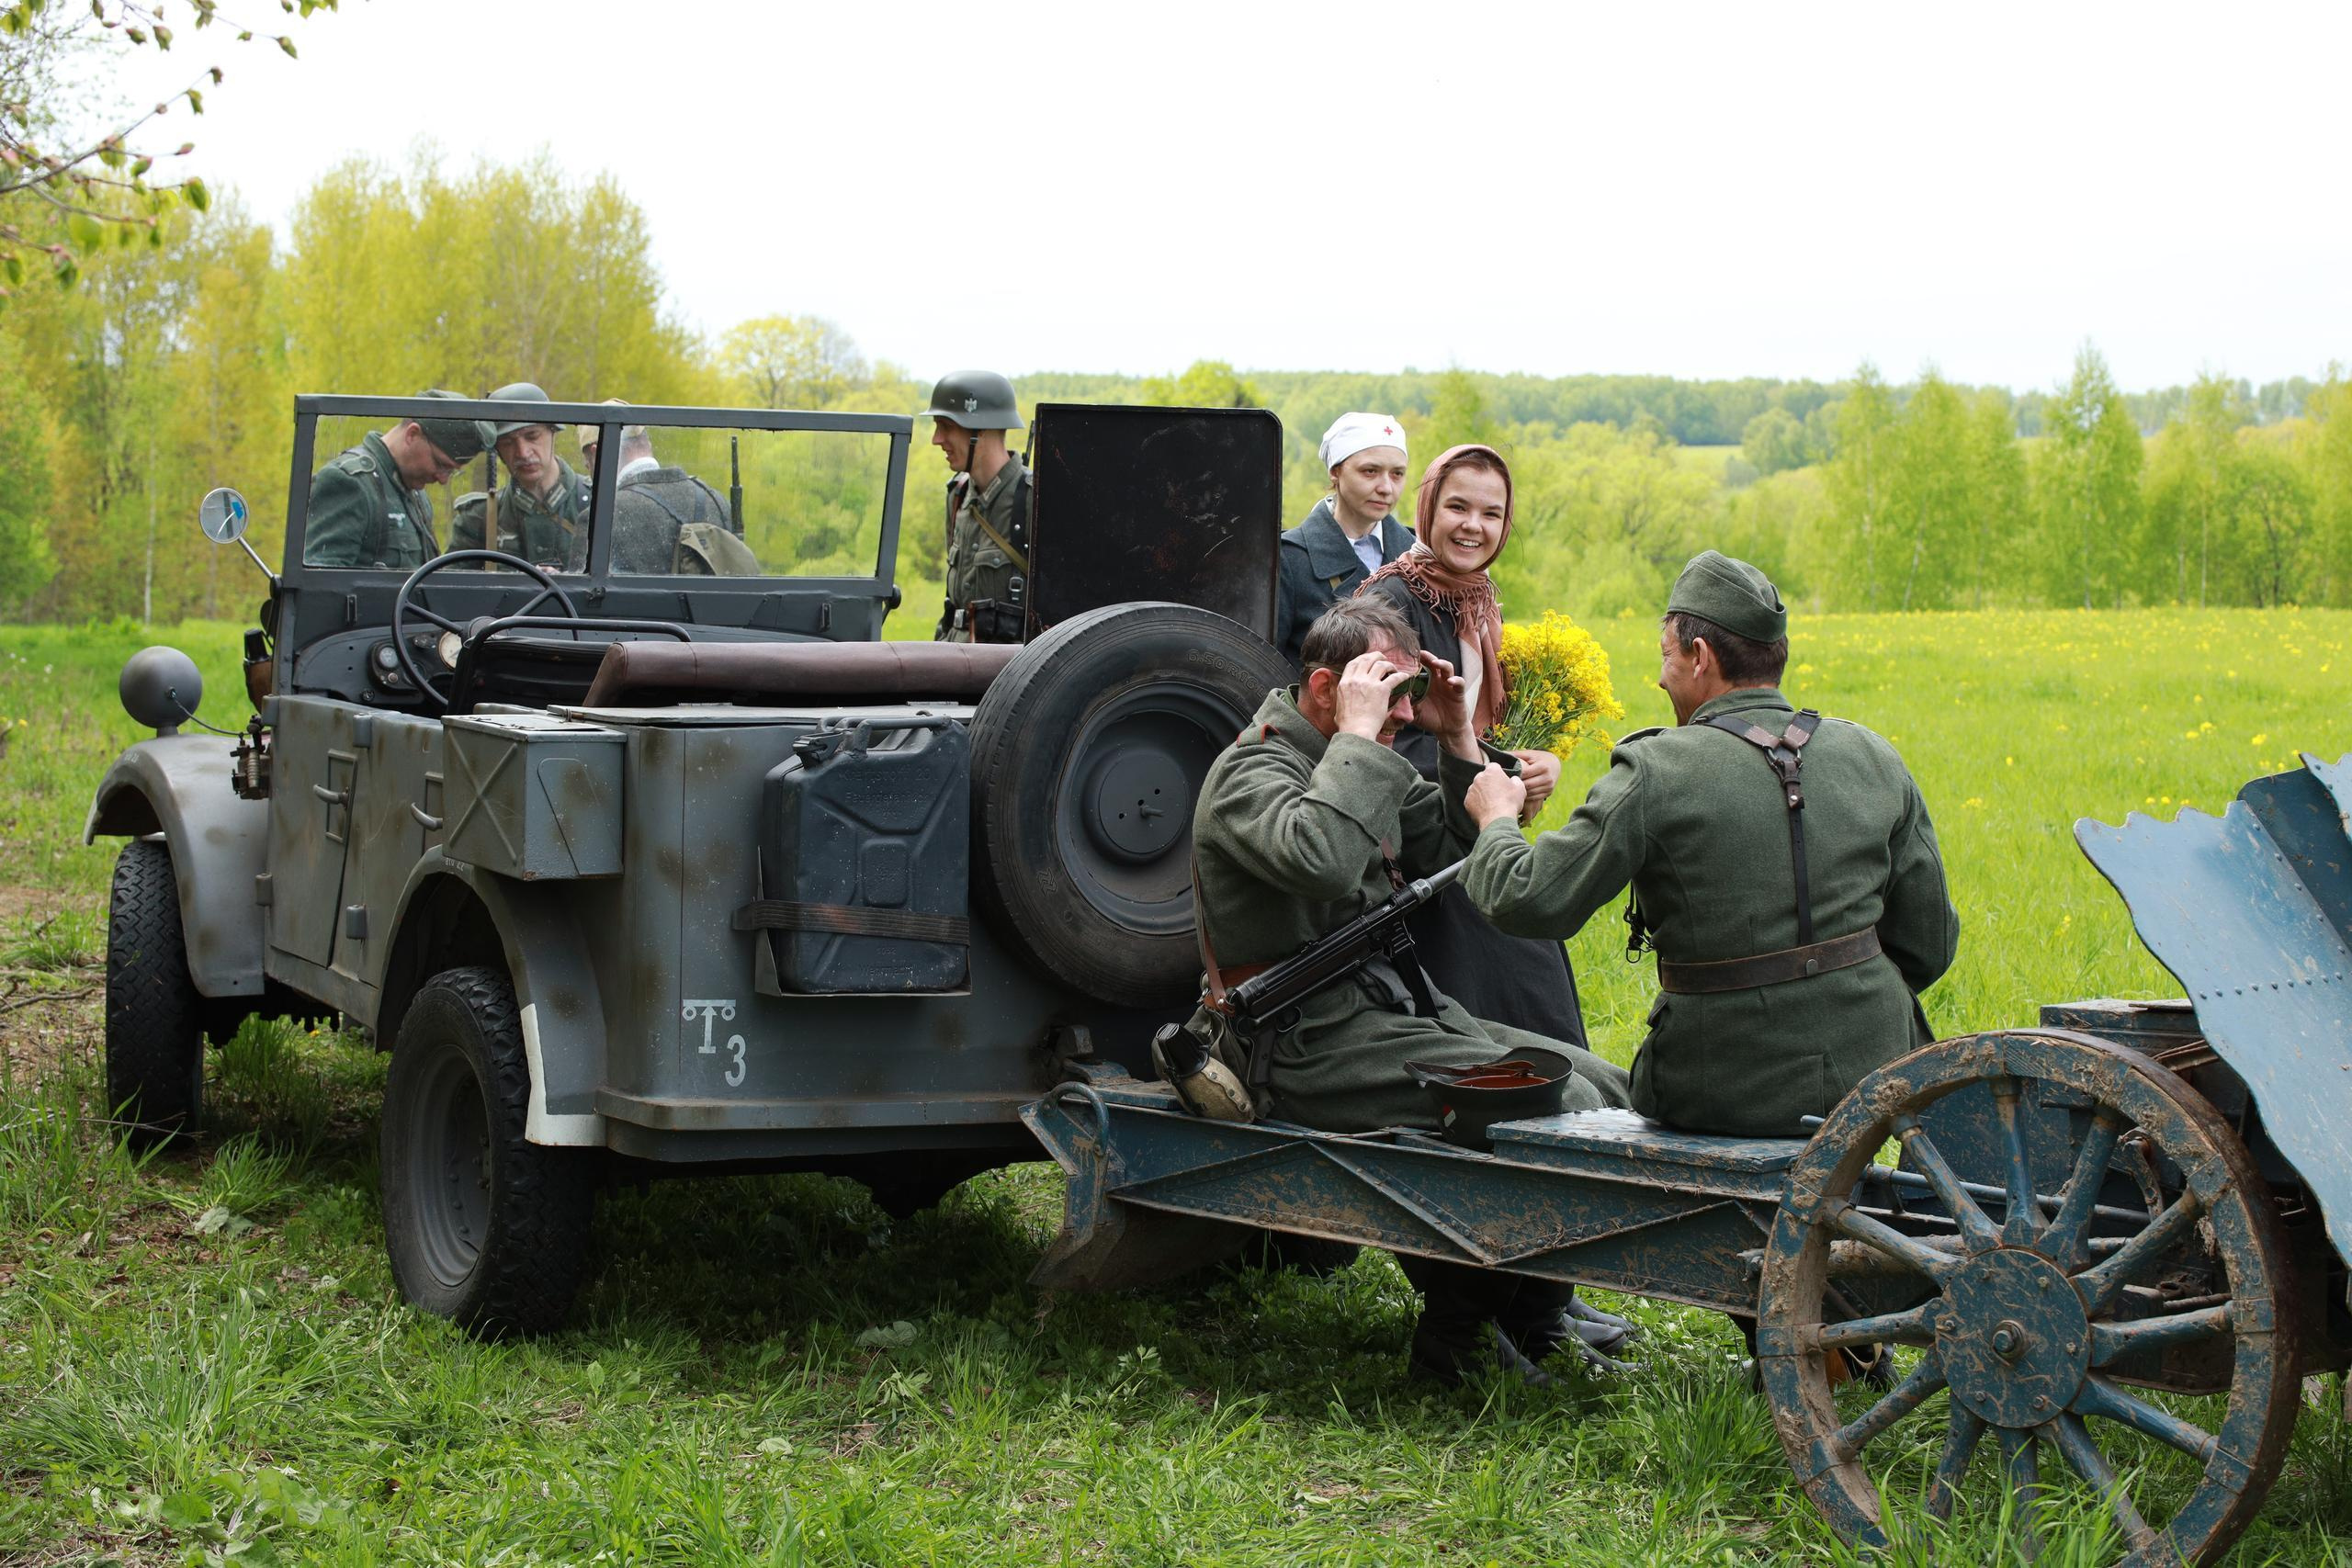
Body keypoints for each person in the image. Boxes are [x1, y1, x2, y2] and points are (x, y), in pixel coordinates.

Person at [1192, 595, 1634, 1384]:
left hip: (1383, 1006)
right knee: (1534, 1105)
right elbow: (1321, 858)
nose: (1401, 708)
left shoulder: (1357, 751)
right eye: (1382, 687)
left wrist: (1458, 731)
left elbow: (1449, 841)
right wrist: (1362, 735)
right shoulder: (1252, 770)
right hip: (1297, 1041)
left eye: (1404, 690)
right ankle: (1454, 1340)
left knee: (1598, 1084)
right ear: (1326, 687)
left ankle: (1534, 1315)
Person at [1462, 550, 1960, 1139]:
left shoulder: (1656, 768)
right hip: (1880, 1070)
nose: (1661, 676)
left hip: (1716, 1084)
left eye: (1666, 656)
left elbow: (1528, 899)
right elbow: (1931, 942)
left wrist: (1496, 819)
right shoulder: (1873, 754)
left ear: (1699, 658)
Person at [1359, 444, 1589, 1043]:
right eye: (1458, 506)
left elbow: (1482, 727)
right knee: (1514, 948)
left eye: (1491, 513)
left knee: (1526, 923)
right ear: (1428, 506)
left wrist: (1531, 766)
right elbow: (1377, 738)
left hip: (1470, 818)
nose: (1473, 526)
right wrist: (1498, 775)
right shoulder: (1391, 604)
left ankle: (1551, 1094)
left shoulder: (1476, 600)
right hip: (1414, 841)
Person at [1273, 412, 1415, 665]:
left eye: (1397, 474)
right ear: (1335, 472)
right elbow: (1264, 669)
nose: (1386, 488)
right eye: (1370, 471)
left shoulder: (1417, 555)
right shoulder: (1289, 560)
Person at [303, 390, 492, 569]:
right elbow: (321, 590)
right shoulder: (349, 484)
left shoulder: (416, 494)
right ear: (412, 434)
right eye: (440, 464)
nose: (443, 480)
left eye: (451, 472)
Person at [926, 369, 1030, 643]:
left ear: (980, 428)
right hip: (953, 662)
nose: (936, 439)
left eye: (946, 426)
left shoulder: (1031, 500)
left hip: (1006, 673)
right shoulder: (957, 496)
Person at [450, 381, 593, 570]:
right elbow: (449, 593)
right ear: (497, 451)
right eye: (508, 443)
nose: (523, 453)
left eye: (532, 436)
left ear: (553, 432)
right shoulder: (480, 519)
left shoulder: (598, 506)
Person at [608, 420, 754, 576]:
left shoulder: (604, 515)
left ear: (597, 452)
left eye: (587, 461)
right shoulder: (718, 502)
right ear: (648, 444)